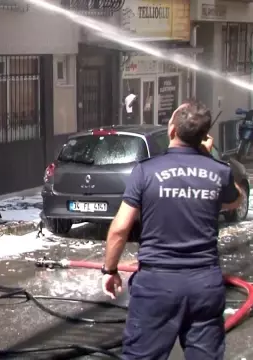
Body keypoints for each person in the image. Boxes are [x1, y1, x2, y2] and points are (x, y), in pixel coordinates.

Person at [100, 99, 245, 359]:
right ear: (204, 137)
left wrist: (110, 270)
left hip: (156, 285)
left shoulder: (145, 171)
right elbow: (236, 199)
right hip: (204, 285)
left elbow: (119, 229)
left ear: (172, 131)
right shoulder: (218, 171)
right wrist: (207, 157)